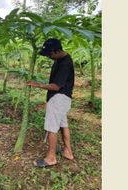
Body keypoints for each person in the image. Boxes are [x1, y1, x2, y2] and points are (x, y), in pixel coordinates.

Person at [26, 38, 75, 167]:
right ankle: (67, 151)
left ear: (57, 50)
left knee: (52, 127)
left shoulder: (64, 63)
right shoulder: (61, 59)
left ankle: (51, 158)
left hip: (59, 98)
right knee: (63, 124)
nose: (48, 56)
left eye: (49, 54)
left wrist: (37, 84)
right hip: (63, 99)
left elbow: (56, 86)